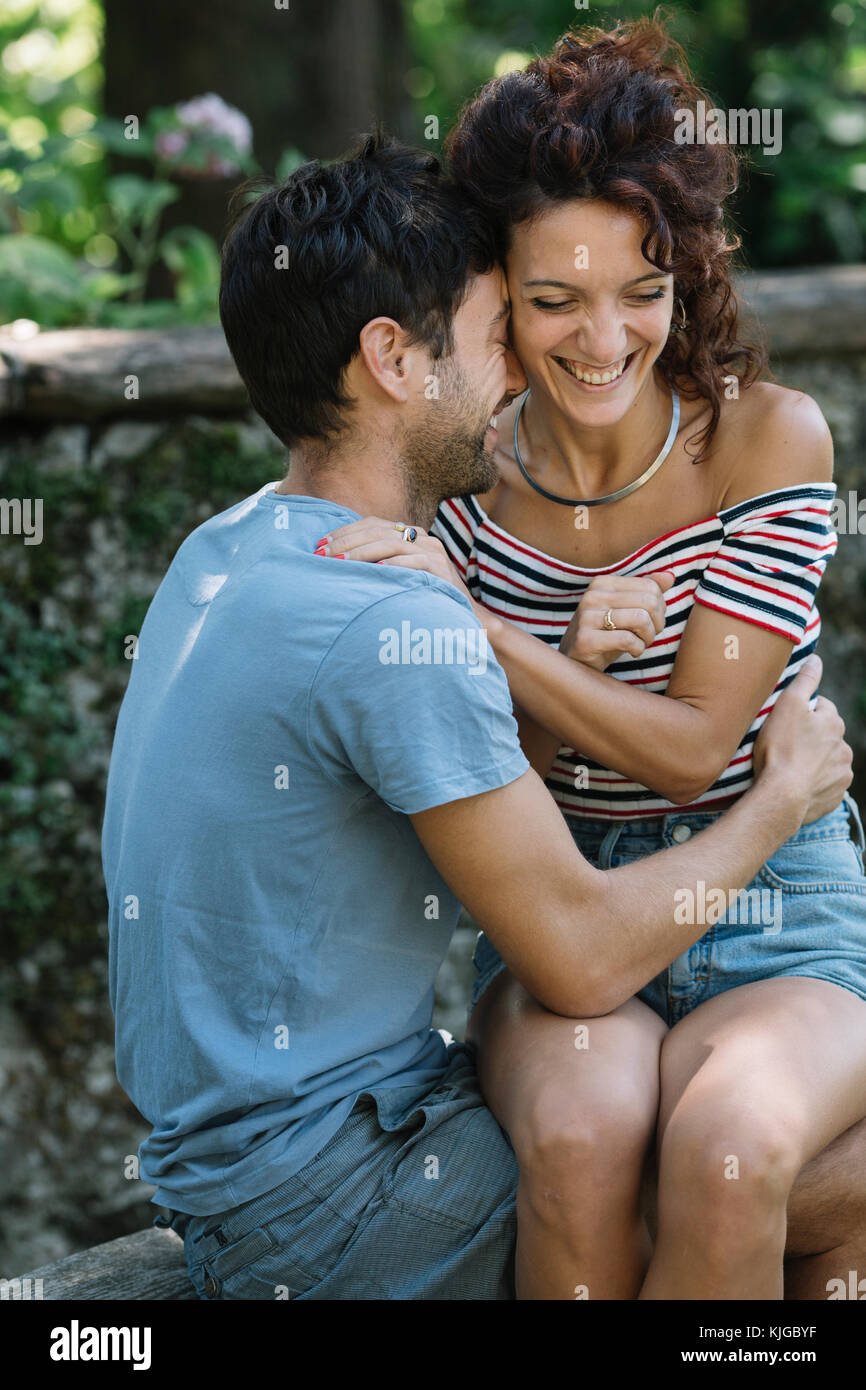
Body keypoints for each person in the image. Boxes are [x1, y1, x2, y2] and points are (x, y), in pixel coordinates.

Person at [101, 131, 856, 1302]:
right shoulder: (396, 610)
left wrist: (539, 659)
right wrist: (778, 797)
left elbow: (478, 805)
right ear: (394, 360)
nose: (517, 374)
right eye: (501, 332)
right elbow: (587, 952)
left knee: (686, 1148)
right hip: (344, 1191)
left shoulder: (229, 544)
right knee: (750, 1192)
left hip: (247, 1168)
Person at [321, 22, 866, 1300]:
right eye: (553, 298)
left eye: (642, 291)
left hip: (770, 910)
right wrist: (555, 661)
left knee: (728, 1151)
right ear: (492, 291)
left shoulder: (762, 443)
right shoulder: (454, 477)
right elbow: (488, 783)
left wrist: (485, 631)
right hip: (561, 906)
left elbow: (690, 752)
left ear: (686, 274)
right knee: (576, 1137)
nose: (603, 341)